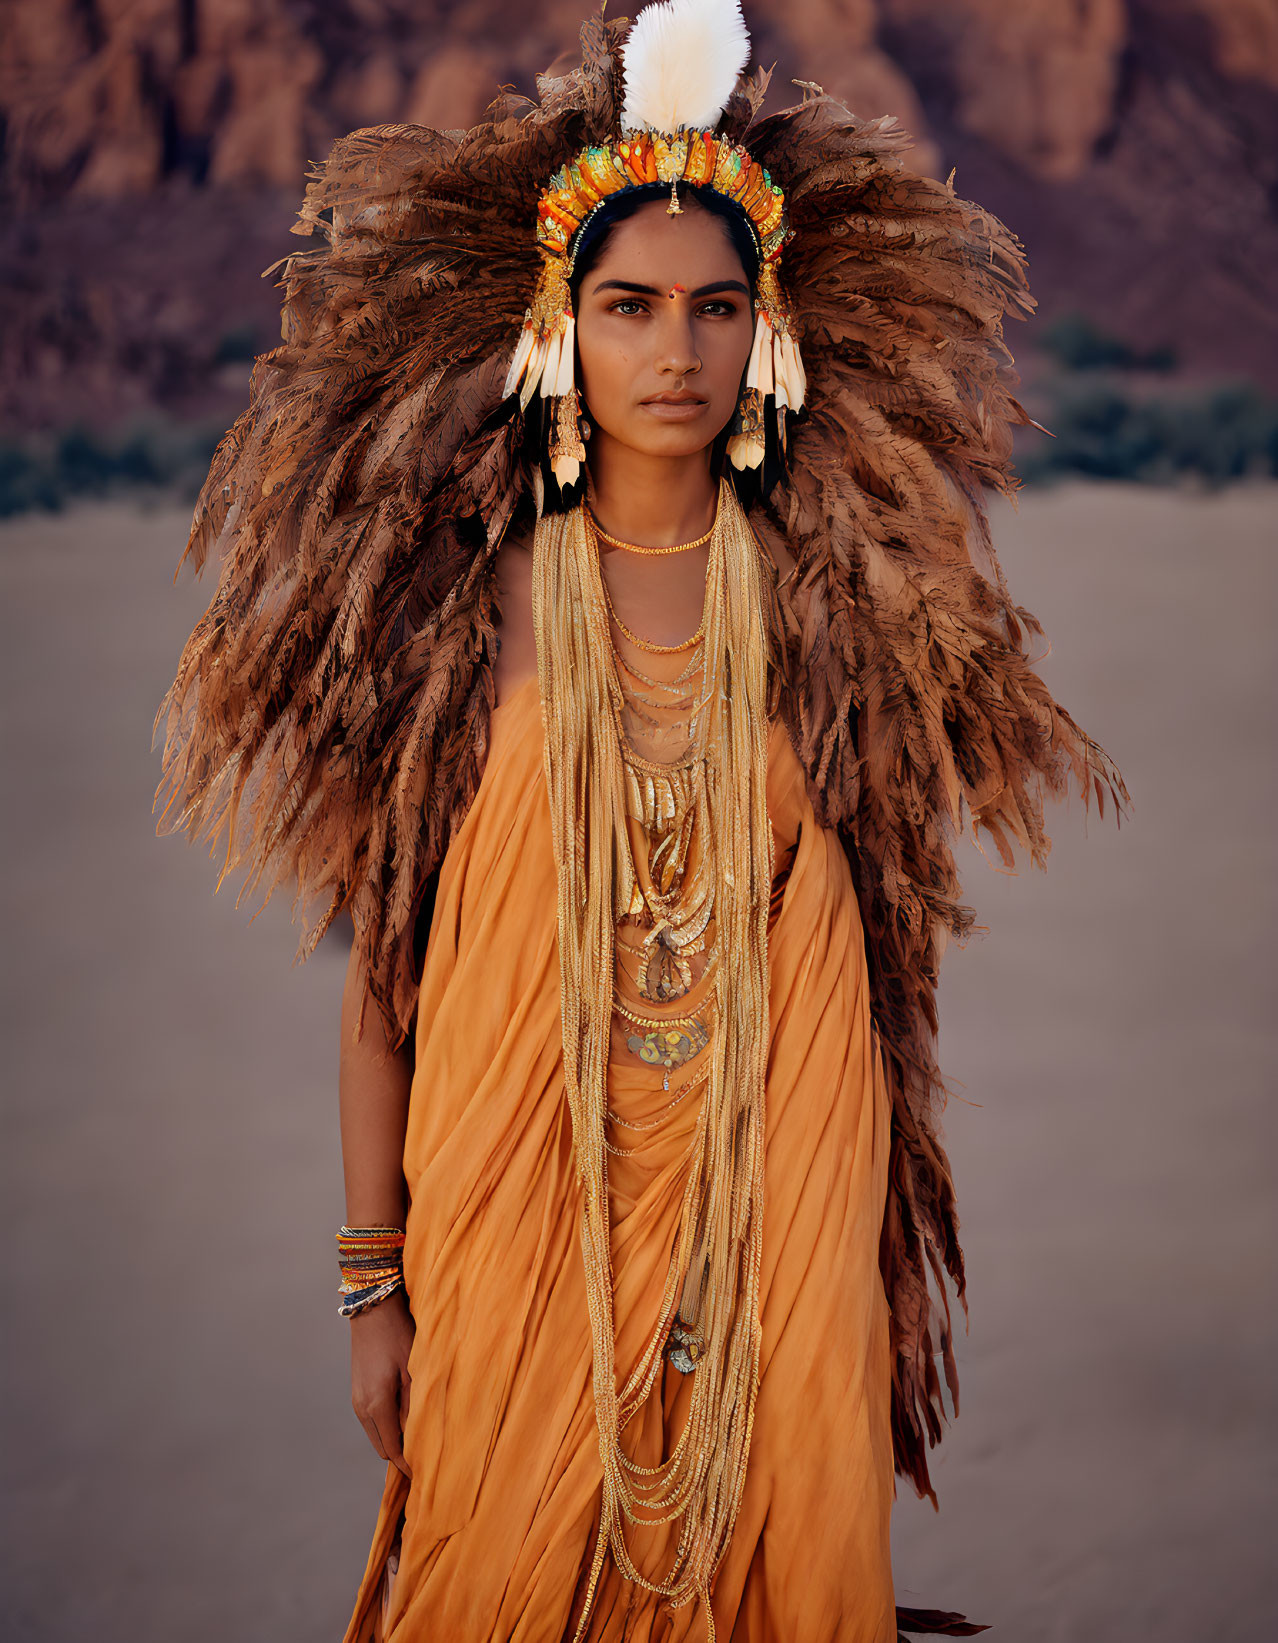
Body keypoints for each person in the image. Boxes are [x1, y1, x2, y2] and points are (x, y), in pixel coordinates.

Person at [154, 2, 1126, 1639]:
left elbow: (882, 959)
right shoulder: (465, 607)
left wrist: (868, 1276)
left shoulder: (834, 604)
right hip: (513, 1204)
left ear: (768, 335)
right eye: (626, 308)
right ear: (556, 329)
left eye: (712, 310)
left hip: (780, 1196)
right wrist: (370, 1289)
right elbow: (388, 979)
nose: (673, 353)